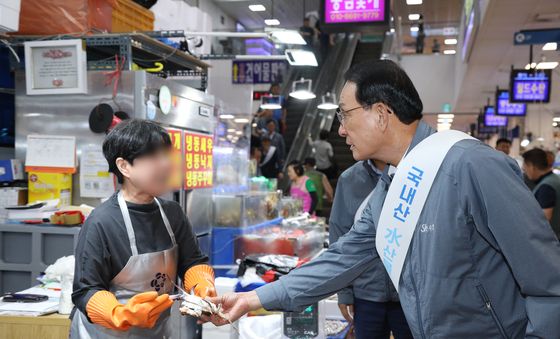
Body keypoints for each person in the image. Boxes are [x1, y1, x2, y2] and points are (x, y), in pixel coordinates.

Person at [205, 60, 560, 339]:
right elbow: (341, 259)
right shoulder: (391, 186)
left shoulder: (472, 165)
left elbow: (546, 277)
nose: (341, 129)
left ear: (381, 112)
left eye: (345, 114)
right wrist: (251, 299)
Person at [71, 119, 216, 338]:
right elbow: (86, 290)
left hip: (157, 331)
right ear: (124, 166)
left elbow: (193, 261)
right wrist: (119, 314)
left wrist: (202, 283)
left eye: (166, 155)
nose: (166, 164)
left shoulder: (172, 213)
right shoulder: (101, 222)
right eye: (153, 157)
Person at [330, 158, 412, 338]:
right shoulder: (350, 179)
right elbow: (339, 236)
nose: (344, 133)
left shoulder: (416, 173)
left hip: (411, 293)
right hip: (366, 292)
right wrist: (344, 292)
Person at [522, 148, 560, 239]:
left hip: (553, 242)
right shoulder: (555, 179)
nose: (525, 172)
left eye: (525, 168)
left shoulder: (546, 187)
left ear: (532, 166)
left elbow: (544, 221)